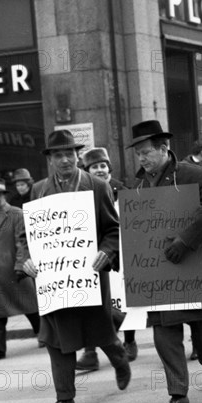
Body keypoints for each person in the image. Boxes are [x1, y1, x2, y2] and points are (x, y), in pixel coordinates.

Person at [22, 130, 131, 403]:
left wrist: (106, 253)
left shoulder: (96, 186)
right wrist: (26, 261)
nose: (65, 160)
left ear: (77, 156)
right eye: (58, 155)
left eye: (69, 154)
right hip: (54, 282)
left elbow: (112, 229)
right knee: (58, 339)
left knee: (99, 329)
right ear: (50, 160)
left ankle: (119, 358)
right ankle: (65, 397)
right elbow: (27, 237)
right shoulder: (38, 190)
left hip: (89, 276)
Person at [130, 120, 202, 403]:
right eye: (138, 154)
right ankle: (178, 394)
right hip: (159, 276)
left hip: (191, 266)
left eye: (147, 152)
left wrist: (185, 241)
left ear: (164, 148)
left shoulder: (193, 175)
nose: (142, 159)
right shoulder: (139, 187)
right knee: (164, 333)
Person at [75, 147, 138, 370]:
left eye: (103, 165)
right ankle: (90, 351)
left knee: (124, 298)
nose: (100, 170)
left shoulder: (124, 190)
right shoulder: (81, 193)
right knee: (91, 301)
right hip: (93, 256)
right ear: (87, 170)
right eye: (94, 167)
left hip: (121, 252)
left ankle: (129, 341)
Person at [0, 178, 40, 363]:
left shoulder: (16, 214)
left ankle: (44, 336)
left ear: (4, 196)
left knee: (30, 306)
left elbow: (23, 242)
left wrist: (21, 266)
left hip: (13, 271)